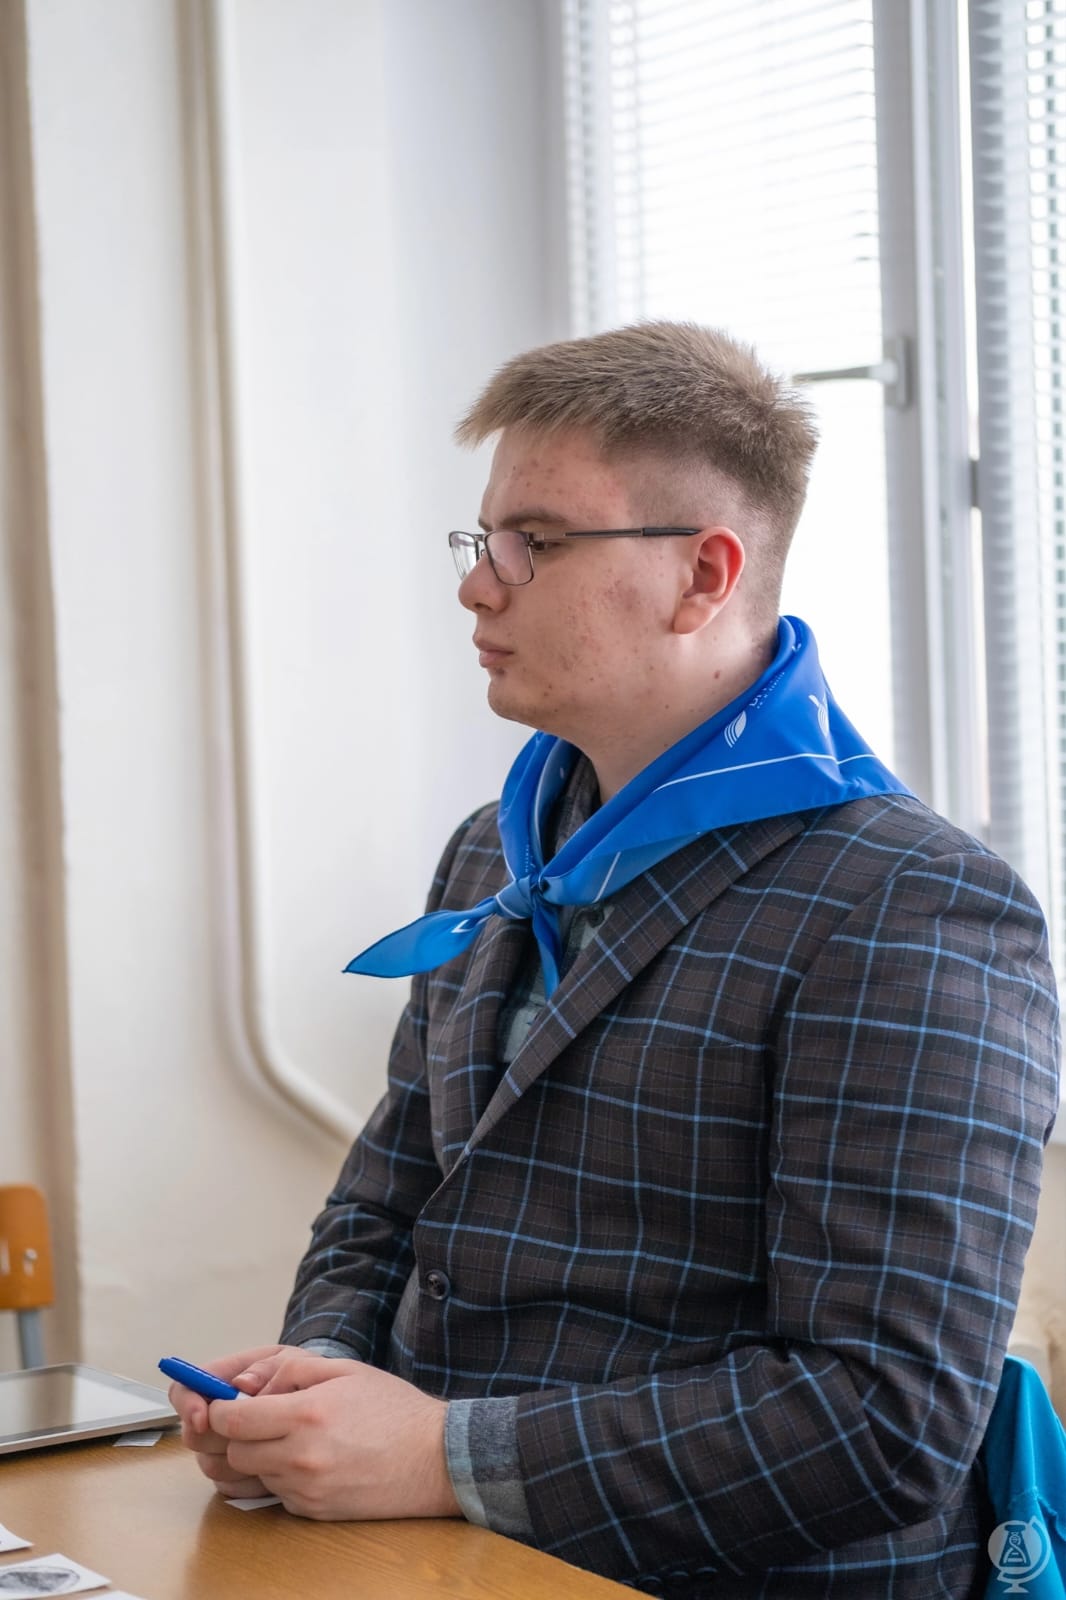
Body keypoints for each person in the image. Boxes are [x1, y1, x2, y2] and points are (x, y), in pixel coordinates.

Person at [170, 321, 1060, 1598]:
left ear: (703, 574)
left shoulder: (915, 906)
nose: (480, 587)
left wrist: (436, 1452)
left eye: (535, 542)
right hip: (443, 1558)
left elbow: (882, 1417)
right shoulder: (493, 848)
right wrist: (314, 1389)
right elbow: (386, 1205)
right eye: (483, 540)